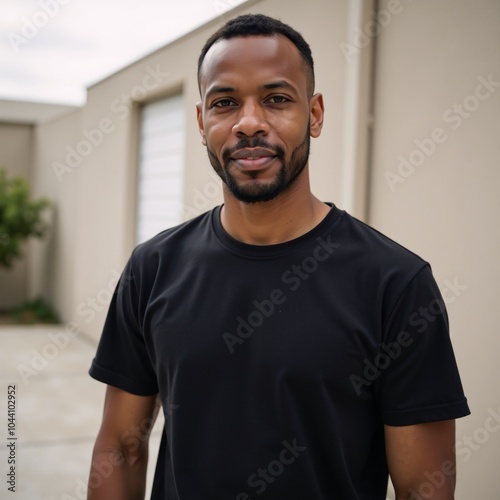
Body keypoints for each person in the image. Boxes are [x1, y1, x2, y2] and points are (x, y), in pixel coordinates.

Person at [88, 13, 470, 500]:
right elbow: (121, 449)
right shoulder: (153, 268)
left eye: (277, 99)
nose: (249, 123)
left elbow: (424, 489)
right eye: (225, 102)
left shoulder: (395, 284)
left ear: (314, 115)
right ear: (203, 123)